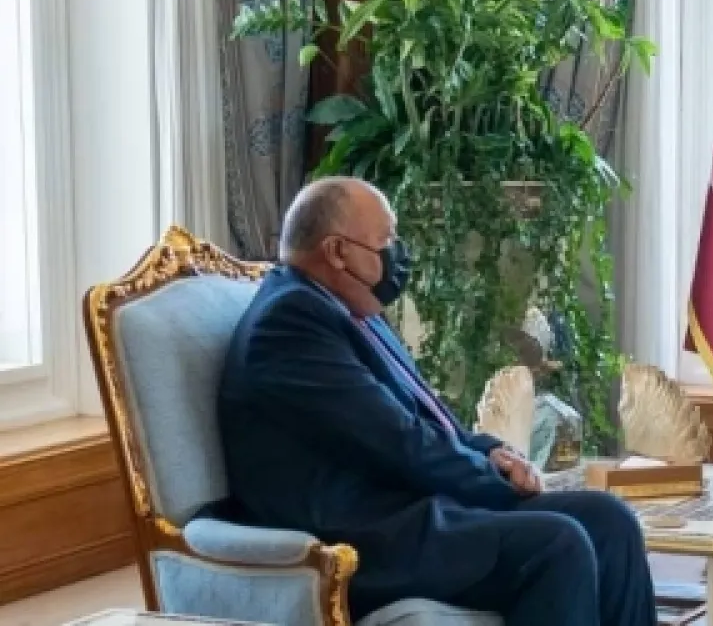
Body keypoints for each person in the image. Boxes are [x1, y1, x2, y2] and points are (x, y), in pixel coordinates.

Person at [218, 177, 655, 626]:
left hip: (411, 511)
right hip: (364, 537)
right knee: (556, 543)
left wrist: (489, 453)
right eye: (385, 241)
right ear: (336, 252)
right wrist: (495, 483)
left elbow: (426, 419)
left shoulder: (348, 306)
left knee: (610, 520)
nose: (397, 255)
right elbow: (397, 440)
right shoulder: (291, 323)